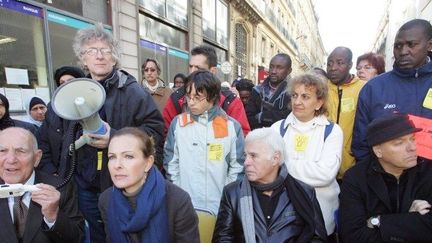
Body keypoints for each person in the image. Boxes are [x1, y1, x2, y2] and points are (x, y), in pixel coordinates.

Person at [50, 23, 163, 243]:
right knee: (99, 235)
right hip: (85, 184)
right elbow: (57, 137)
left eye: (106, 50)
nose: (99, 56)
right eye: (92, 51)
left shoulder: (132, 91)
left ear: (114, 57)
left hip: (121, 184)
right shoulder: (74, 92)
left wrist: (115, 138)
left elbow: (155, 131)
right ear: (83, 59)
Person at [213, 127, 327, 242]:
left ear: (275, 158)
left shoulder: (304, 192)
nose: (246, 162)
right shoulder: (232, 193)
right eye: (245, 155)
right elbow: (222, 239)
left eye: (253, 156)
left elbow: (317, 238)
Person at [339, 114, 432, 242]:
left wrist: (377, 221)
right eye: (399, 143)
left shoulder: (427, 171)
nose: (412, 147)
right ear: (378, 151)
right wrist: (409, 219)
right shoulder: (356, 178)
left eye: (412, 138)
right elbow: (353, 237)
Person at [271, 73, 343, 238]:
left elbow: (325, 174)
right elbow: (266, 168)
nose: (297, 102)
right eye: (295, 95)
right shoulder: (276, 129)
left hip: (321, 216)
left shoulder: (332, 131)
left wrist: (282, 166)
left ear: (319, 103)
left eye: (305, 97)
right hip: (283, 215)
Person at [164, 70, 244, 216]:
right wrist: (179, 195)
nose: (191, 102)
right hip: (185, 207)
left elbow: (237, 167)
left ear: (213, 96)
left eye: (197, 97)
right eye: (188, 96)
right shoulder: (178, 124)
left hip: (219, 207)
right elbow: (170, 165)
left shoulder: (232, 126)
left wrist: (226, 199)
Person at [99, 127, 199, 243]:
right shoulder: (106, 200)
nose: (117, 165)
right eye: (112, 157)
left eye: (128, 156)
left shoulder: (177, 201)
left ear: (148, 163)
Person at [353, 19, 432, 162]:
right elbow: (361, 143)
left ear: (429, 45)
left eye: (411, 45)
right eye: (398, 46)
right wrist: (375, 179)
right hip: (385, 179)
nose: (403, 52)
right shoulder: (373, 88)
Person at [0, 127, 84, 243]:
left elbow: (77, 238)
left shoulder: (61, 187)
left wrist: (53, 216)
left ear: (37, 158)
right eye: (2, 151)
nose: (11, 159)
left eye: (20, 151)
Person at [162, 45, 250, 136]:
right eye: (191, 66)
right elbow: (167, 135)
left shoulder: (230, 101)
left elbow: (242, 137)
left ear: (213, 71)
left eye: (198, 68)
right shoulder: (177, 98)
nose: (192, 71)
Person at [37, 66, 85, 175]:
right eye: (62, 83)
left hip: (84, 179)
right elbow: (42, 142)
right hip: (58, 175)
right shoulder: (53, 109)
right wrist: (50, 170)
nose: (66, 85)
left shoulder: (91, 106)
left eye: (70, 81)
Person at [326, 47, 366, 179]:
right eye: (330, 63)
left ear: (350, 65)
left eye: (340, 63)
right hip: (324, 167)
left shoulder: (364, 89)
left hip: (354, 167)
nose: (333, 67)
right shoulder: (321, 89)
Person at [246, 53, 292, 130]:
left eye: (279, 68)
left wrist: (262, 116)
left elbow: (288, 117)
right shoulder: (257, 90)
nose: (273, 71)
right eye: (271, 67)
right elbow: (249, 118)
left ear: (289, 71)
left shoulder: (293, 93)